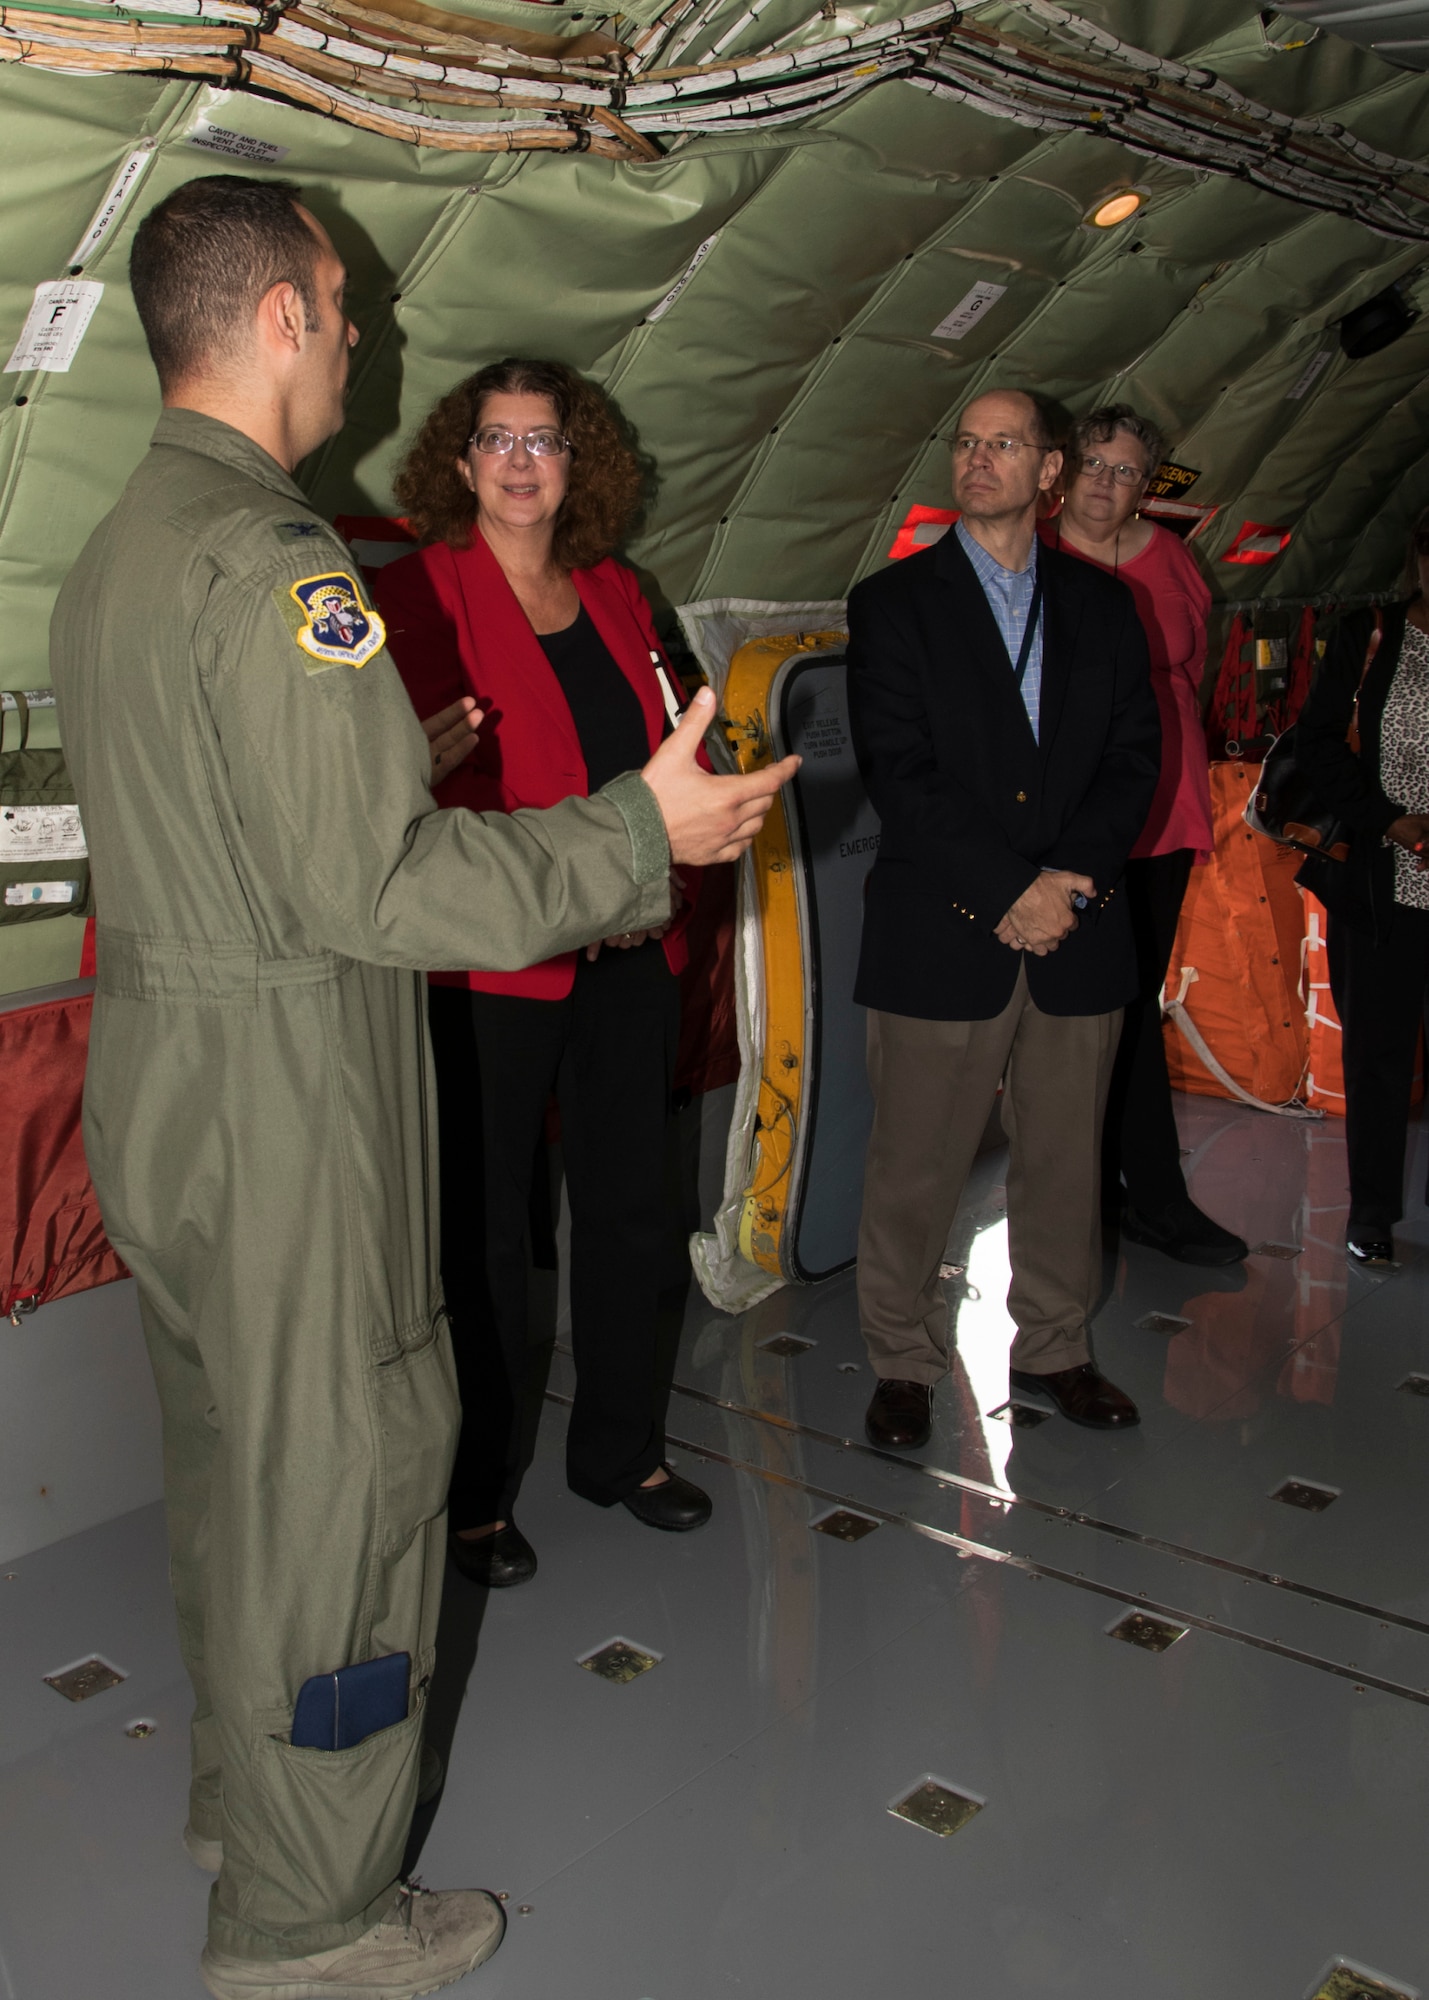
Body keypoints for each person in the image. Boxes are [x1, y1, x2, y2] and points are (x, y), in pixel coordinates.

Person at [48, 175, 795, 2000]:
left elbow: (222, 818)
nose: (365, 334)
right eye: (344, 303)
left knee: (239, 1486)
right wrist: (644, 828)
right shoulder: (285, 561)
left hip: (165, 1087)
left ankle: (250, 1806)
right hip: (294, 1102)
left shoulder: (126, 540)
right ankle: (308, 1925)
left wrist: (407, 751)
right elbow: (374, 893)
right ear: (285, 316)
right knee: (350, 1494)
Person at [374, 359, 710, 1591]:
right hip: (490, 966)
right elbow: (367, 786)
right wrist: (406, 760)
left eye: (546, 440)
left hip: (625, 952)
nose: (522, 462)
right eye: (497, 440)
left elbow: (672, 744)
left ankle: (619, 1452)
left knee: (631, 1210)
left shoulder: (621, 591)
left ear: (581, 462)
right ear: (459, 464)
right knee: (483, 1242)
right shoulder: (414, 594)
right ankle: (471, 1495)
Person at [846, 386, 1160, 1451]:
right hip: (944, 928)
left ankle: (1054, 1347)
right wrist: (1008, 889)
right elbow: (903, 771)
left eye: (1005, 445)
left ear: (1049, 475)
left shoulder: (1106, 610)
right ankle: (900, 1356)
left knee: (1066, 1159)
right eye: (967, 443)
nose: (978, 460)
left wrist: (1063, 880)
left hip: (1076, 927)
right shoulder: (892, 606)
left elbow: (1132, 762)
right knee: (914, 1163)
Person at [1043, 404, 1247, 1266]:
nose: (1106, 484)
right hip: (1067, 815)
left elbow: (1192, 667)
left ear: (1144, 486)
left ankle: (1141, 1196)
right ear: (1062, 470)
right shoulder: (1033, 554)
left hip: (1158, 810)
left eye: (1125, 471)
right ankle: (1108, 1196)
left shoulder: (1172, 561)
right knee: (1078, 1014)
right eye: (1094, 464)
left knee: (1130, 1004)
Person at [1294, 508, 1429, 1265]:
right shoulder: (1368, 636)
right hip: (1382, 880)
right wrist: (1390, 822)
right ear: (1417, 555)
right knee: (1377, 1052)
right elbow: (1316, 742)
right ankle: (1370, 1211)